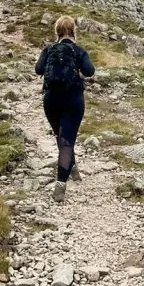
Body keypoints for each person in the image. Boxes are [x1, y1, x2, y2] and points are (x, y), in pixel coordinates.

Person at [34, 15, 95, 203]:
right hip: (73, 100)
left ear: (57, 32)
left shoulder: (49, 49)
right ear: (73, 31)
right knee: (67, 140)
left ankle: (73, 169)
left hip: (51, 100)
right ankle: (61, 184)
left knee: (61, 136)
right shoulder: (78, 51)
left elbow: (38, 70)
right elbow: (90, 71)